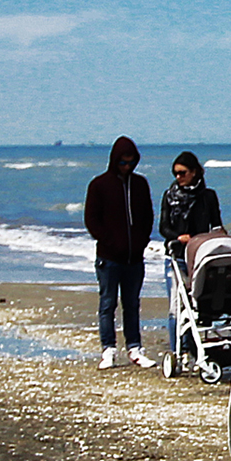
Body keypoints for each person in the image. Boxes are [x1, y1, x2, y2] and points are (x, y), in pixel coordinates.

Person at [82, 136, 155, 370]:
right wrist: (109, 241)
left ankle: (135, 348)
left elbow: (147, 216)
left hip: (135, 258)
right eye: (123, 163)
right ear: (115, 161)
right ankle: (108, 350)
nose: (127, 167)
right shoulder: (99, 185)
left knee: (132, 303)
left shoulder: (141, 184)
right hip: (109, 257)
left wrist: (142, 241)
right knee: (108, 303)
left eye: (131, 163)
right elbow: (91, 219)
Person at [157, 150, 226, 362]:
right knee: (177, 306)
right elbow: (163, 227)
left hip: (201, 256)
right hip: (177, 256)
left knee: (200, 303)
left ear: (194, 172)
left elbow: (216, 222)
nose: (178, 177)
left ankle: (200, 348)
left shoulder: (208, 196)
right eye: (175, 173)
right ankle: (180, 349)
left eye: (183, 173)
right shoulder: (169, 196)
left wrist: (218, 235)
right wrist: (178, 237)